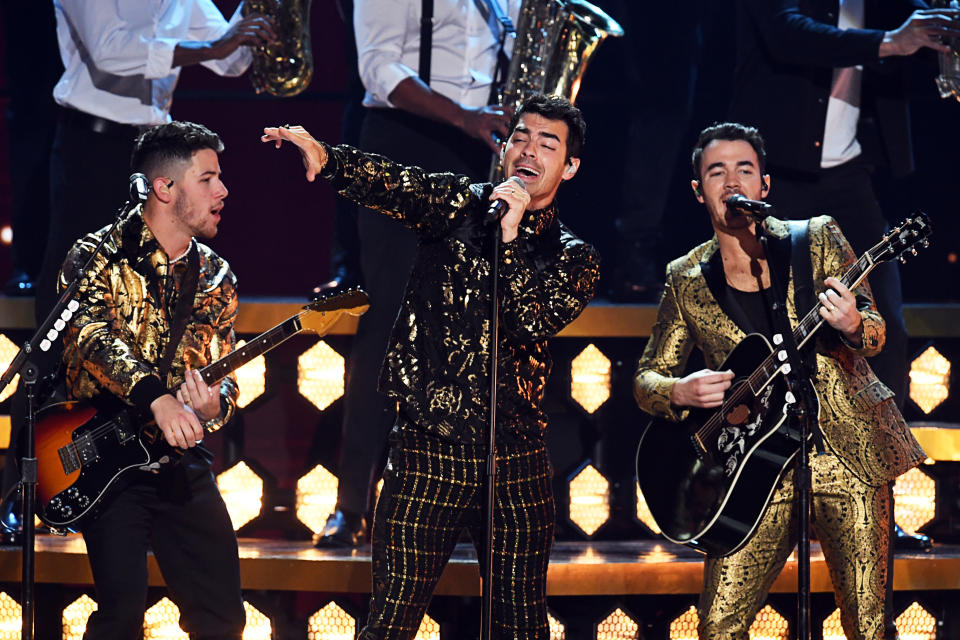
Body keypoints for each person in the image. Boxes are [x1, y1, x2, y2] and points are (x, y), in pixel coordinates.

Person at [264, 94, 599, 639]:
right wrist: (326, 156)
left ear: (570, 166)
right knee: (390, 624)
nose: (528, 150)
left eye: (547, 143)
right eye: (520, 137)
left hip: (514, 458)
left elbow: (529, 319)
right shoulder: (458, 204)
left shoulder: (574, 256)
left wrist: (510, 236)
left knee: (521, 627)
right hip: (428, 447)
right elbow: (396, 181)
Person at [633, 123, 925, 640]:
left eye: (744, 168)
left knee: (869, 624)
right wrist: (677, 391)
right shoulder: (686, 277)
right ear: (698, 190)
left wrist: (854, 325)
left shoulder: (816, 237)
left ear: (764, 185)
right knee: (718, 626)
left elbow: (876, 330)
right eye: (716, 171)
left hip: (847, 452)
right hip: (752, 473)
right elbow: (645, 377)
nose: (732, 181)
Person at [0, 0, 276, 533]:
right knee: (63, 319)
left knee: (155, 316)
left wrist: (256, 19)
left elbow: (229, 60)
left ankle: (128, 483)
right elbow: (111, 52)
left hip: (155, 155)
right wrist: (217, 46)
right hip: (94, 148)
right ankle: (22, 487)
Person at [313, 0, 521, 548]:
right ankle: (352, 503)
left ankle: (451, 507)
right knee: (387, 325)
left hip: (484, 155)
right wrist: (466, 116)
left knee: (469, 332)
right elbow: (379, 70)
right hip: (406, 144)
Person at [59, 121, 245, 639]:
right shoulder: (95, 256)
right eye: (207, 179)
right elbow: (92, 340)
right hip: (106, 459)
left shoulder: (216, 276)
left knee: (223, 617)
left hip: (179, 460)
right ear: (165, 188)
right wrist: (157, 399)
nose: (223, 191)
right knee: (120, 617)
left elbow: (224, 377)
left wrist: (212, 407)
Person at [730, 0, 960, 410]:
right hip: (774, 177)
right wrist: (891, 41)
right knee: (765, 328)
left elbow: (913, 30)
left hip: (849, 176)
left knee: (885, 324)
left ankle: (880, 464)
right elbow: (789, 34)